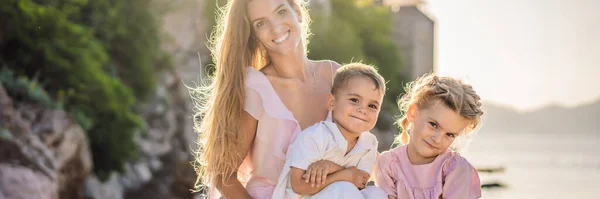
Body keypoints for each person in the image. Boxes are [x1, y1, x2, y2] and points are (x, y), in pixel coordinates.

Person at [189, 0, 357, 198]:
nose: (275, 27)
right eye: (261, 23)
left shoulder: (338, 77)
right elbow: (224, 176)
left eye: (281, 12)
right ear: (254, 36)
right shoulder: (256, 88)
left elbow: (361, 153)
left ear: (297, 12)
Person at [272, 63, 388, 199]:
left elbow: (359, 180)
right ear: (332, 102)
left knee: (376, 194)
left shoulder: (369, 143)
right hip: (304, 196)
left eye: (372, 106)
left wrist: (332, 167)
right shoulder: (315, 137)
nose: (363, 110)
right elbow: (298, 185)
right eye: (354, 100)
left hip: (344, 194)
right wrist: (343, 175)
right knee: (343, 187)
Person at [374, 74, 484, 199]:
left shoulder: (456, 170)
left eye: (449, 134)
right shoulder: (388, 165)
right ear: (413, 113)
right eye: (433, 125)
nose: (437, 139)